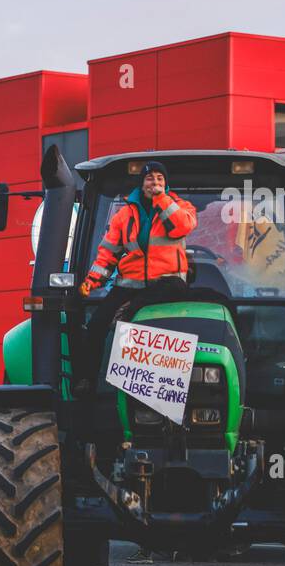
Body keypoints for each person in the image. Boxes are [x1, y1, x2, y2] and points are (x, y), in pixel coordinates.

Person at [72, 161, 199, 394]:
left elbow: (181, 227)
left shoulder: (181, 207)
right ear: (141, 184)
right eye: (151, 179)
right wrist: (92, 281)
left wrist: (162, 200)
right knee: (97, 323)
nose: (156, 183)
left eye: (161, 179)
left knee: (137, 311)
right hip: (130, 284)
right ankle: (86, 381)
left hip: (168, 282)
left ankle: (130, 312)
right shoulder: (124, 215)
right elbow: (108, 254)